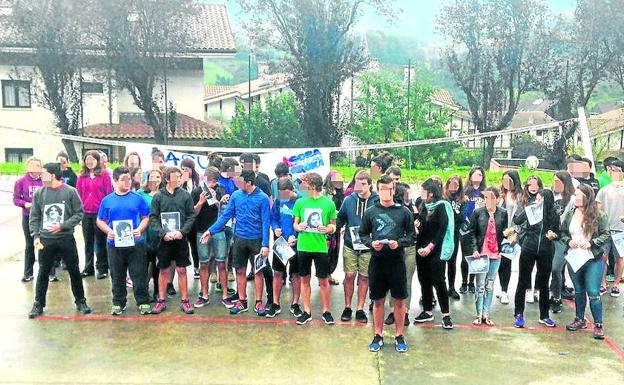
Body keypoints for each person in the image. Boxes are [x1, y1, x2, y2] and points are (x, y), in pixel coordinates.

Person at [202, 170, 271, 315]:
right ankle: (242, 301)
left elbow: (266, 222)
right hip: (239, 239)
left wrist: (265, 244)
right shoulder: (236, 195)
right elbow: (225, 216)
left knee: (258, 271)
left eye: (240, 182)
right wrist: (210, 230)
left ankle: (258, 302)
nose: (237, 184)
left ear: (249, 182)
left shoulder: (263, 198)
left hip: (257, 241)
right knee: (240, 270)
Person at [359, 175, 416, 353]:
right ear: (378, 190)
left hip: (397, 262)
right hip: (377, 262)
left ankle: (399, 335)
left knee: (399, 301)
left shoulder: (404, 212)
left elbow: (412, 236)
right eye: (382, 189)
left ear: (393, 190)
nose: (386, 193)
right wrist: (371, 244)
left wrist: (398, 243)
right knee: (377, 301)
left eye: (389, 189)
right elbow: (362, 234)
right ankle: (378, 334)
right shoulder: (370, 212)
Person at [28, 162, 91, 318]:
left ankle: (80, 300)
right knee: (43, 272)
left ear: (53, 175)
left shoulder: (70, 192)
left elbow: (79, 213)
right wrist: (36, 236)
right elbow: (34, 216)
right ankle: (38, 304)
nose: (41, 176)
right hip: (46, 240)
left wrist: (63, 226)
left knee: (74, 270)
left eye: (44, 173)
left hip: (65, 239)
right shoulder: (39, 193)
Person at [96, 167, 152, 316]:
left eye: (129, 179)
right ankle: (118, 302)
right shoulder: (107, 200)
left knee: (139, 273)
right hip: (115, 245)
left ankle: (143, 301)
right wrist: (109, 231)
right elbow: (100, 220)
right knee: (117, 274)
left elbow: (146, 216)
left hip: (135, 243)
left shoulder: (137, 198)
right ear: (115, 181)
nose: (127, 182)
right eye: (123, 179)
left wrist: (140, 228)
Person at [562, 184, 610, 339]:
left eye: (579, 195)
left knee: (593, 292)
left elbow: (606, 235)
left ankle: (598, 324)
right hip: (574, 257)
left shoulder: (599, 215)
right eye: (575, 195)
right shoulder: (570, 214)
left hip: (592, 258)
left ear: (588, 197)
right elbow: (562, 232)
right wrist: (568, 241)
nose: (576, 198)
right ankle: (579, 319)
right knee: (578, 290)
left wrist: (592, 242)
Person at [513, 176, 560, 328]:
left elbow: (558, 231)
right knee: (523, 281)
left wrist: (554, 235)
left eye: (540, 197)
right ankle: (519, 314)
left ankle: (544, 315)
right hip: (529, 247)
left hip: (546, 250)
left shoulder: (553, 213)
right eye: (537, 197)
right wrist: (530, 208)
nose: (537, 199)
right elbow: (517, 221)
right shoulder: (532, 208)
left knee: (543, 283)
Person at [149, 167, 197, 315]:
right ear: (167, 179)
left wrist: (182, 232)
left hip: (180, 239)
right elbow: (153, 217)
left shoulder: (185, 195)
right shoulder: (158, 196)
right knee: (164, 269)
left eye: (179, 176)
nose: (178, 179)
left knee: (182, 269)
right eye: (176, 176)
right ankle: (161, 301)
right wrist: (162, 234)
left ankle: (185, 301)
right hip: (164, 240)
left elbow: (191, 216)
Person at [292, 172, 338, 325]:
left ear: (311, 185)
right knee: (305, 278)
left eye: (303, 183)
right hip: (303, 246)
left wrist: (329, 229)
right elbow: (295, 224)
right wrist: (299, 227)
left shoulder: (328, 204)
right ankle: (307, 311)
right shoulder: (300, 202)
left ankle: (326, 310)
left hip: (320, 247)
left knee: (323, 280)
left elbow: (334, 225)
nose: (301, 185)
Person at [337, 171, 379, 323]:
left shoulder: (377, 200)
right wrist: (332, 231)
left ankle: (360, 308)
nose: (359, 186)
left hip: (368, 246)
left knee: (364, 277)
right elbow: (340, 219)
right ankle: (348, 306)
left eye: (362, 183)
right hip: (350, 244)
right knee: (349, 275)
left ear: (369, 185)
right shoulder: (349, 200)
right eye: (356, 182)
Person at [413, 178, 454, 329]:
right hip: (421, 249)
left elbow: (442, 230)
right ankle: (427, 311)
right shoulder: (423, 205)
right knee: (424, 280)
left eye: (423, 191)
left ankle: (446, 315)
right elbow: (422, 225)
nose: (421, 193)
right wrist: (416, 225)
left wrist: (430, 247)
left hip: (436, 250)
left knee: (439, 281)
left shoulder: (442, 206)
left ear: (431, 193)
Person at [465, 187, 508, 326]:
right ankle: (478, 314)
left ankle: (486, 314)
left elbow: (505, 233)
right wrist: (475, 249)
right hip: (481, 255)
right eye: (486, 198)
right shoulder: (478, 212)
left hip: (496, 254)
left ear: (497, 199)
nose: (487, 201)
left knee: (490, 285)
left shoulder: (503, 213)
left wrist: (504, 249)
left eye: (490, 198)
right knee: (480, 286)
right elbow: (472, 232)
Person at [193, 167, 231, 309]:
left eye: (215, 181)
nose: (213, 184)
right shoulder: (197, 191)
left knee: (222, 262)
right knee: (204, 262)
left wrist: (220, 201)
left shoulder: (221, 189)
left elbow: (225, 211)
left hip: (219, 230)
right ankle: (204, 294)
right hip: (201, 231)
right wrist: (201, 201)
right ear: (204, 178)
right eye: (210, 181)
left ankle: (225, 295)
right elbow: (192, 213)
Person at [76, 150, 113, 279]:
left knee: (101, 241)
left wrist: (106, 214)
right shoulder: (81, 177)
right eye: (87, 160)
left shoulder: (105, 176)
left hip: (99, 214)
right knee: (88, 242)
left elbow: (109, 195)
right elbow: (78, 195)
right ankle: (88, 267)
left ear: (98, 161)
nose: (90, 162)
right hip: (86, 213)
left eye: (92, 159)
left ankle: (102, 268)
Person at [268, 178, 302, 318]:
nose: (283, 196)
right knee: (278, 272)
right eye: (281, 193)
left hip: (296, 242)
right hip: (281, 242)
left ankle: (295, 303)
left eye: (285, 193)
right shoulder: (278, 201)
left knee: (296, 274)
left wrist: (295, 235)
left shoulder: (301, 201)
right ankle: (275, 303)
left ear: (292, 189)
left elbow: (303, 221)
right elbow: (273, 218)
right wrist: (275, 228)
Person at [595, 160, 624, 297]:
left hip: (621, 230)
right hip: (605, 230)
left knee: (619, 258)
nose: (614, 172)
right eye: (611, 170)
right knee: (602, 257)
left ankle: (617, 284)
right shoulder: (603, 191)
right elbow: (598, 210)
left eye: (617, 170)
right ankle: (602, 283)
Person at [549, 171, 577, 313]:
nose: (556, 184)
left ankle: (557, 297)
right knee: (548, 269)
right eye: (554, 181)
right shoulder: (549, 195)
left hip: (563, 238)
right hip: (549, 236)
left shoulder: (572, 199)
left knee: (556, 268)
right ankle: (550, 294)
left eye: (558, 182)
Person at [14, 156, 44, 282]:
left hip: (43, 217)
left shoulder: (45, 180)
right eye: (33, 165)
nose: (35, 168)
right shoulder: (21, 181)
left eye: (38, 165)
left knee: (45, 244)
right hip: (28, 216)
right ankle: (28, 273)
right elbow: (16, 199)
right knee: (30, 244)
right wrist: (25, 204)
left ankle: (48, 272)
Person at [137, 169, 164, 299]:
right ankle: (143, 290)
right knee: (144, 263)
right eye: (152, 176)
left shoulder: (164, 193)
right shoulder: (140, 194)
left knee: (158, 264)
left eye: (157, 176)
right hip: (145, 232)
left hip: (159, 233)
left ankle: (158, 291)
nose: (155, 179)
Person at [460, 166, 487, 294]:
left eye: (480, 175)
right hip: (465, 227)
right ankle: (464, 282)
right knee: (465, 256)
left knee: (475, 255)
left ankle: (472, 283)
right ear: (470, 176)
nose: (478, 177)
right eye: (475, 174)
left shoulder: (485, 192)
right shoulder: (464, 192)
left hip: (479, 229)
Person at [498, 170, 523, 305]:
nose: (506, 183)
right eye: (504, 180)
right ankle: (502, 289)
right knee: (501, 262)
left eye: (509, 180)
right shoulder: (500, 195)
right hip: (501, 232)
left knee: (508, 261)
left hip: (514, 232)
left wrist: (516, 233)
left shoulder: (521, 196)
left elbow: (524, 216)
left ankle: (505, 290)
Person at [444, 174, 465, 300]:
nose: (454, 187)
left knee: (452, 261)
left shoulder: (462, 199)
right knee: (441, 261)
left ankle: (451, 287)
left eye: (456, 184)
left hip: (454, 234)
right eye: (451, 184)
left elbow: (462, 217)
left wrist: (455, 214)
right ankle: (440, 287)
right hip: (442, 234)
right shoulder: (443, 198)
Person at [180, 158, 201, 279]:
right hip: (183, 217)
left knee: (194, 244)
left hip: (195, 217)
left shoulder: (198, 181)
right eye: (182, 169)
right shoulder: (179, 181)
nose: (184, 171)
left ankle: (196, 267)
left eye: (186, 169)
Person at [324, 170, 345, 285]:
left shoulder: (341, 193)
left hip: (336, 227)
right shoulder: (325, 193)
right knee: (326, 251)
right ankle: (324, 275)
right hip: (327, 227)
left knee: (334, 252)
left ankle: (329, 273)